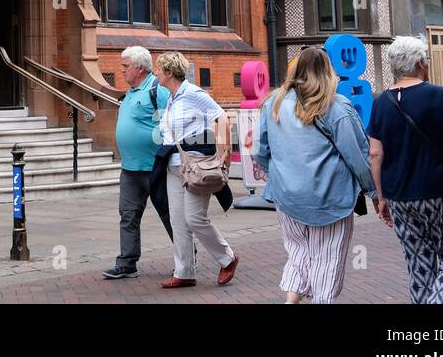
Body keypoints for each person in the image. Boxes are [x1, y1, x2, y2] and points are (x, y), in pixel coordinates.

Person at [369, 36, 443, 304]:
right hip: (441, 192)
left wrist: (381, 196)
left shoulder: (380, 103)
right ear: (420, 63)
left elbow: (375, 153)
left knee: (420, 265)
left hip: (400, 197)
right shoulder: (441, 96)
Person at [255, 46, 375, 303]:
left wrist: (278, 176)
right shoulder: (337, 106)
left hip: (287, 198)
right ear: (328, 71)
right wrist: (374, 192)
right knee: (326, 260)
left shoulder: (273, 103)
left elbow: (261, 152)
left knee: (298, 253)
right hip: (330, 199)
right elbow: (358, 156)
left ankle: (291, 300)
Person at [153, 51, 237, 289]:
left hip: (196, 167)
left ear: (169, 73)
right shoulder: (171, 97)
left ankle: (228, 258)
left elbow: (221, 116)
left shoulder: (193, 93)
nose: (156, 73)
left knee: (195, 218)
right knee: (178, 221)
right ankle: (185, 272)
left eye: (159, 69)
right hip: (172, 166)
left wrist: (225, 152)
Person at [104, 46, 172, 280]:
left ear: (140, 68)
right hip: (130, 168)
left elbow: (173, 124)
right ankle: (127, 263)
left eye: (125, 66)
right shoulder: (131, 92)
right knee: (128, 215)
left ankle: (186, 258)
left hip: (156, 167)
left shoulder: (158, 90)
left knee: (169, 214)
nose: (120, 70)